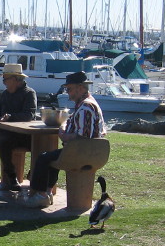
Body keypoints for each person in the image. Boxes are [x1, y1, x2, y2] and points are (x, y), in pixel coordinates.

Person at [25, 70, 106, 208]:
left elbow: (84, 136)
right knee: (52, 156)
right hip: (92, 152)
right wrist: (65, 126)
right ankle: (47, 191)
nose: (67, 92)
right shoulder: (87, 103)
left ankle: (40, 195)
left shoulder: (86, 107)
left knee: (43, 158)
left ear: (80, 88)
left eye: (69, 89)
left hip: (82, 152)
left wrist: (64, 135)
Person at [0, 63, 37, 191]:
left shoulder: (29, 93)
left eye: (5, 79)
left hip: (25, 134)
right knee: (4, 143)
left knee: (41, 144)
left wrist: (9, 117)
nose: (4, 82)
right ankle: (11, 176)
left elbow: (29, 115)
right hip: (8, 134)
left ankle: (35, 173)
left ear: (15, 79)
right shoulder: (5, 94)